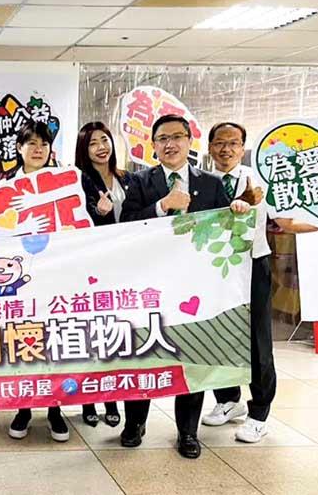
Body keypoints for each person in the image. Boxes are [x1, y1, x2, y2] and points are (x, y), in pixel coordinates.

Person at [200, 121, 318, 443]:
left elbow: (286, 221)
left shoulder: (260, 181)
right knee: (217, 335)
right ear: (210, 147)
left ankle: (259, 413)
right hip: (213, 271)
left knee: (258, 341)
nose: (226, 149)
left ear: (242, 147)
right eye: (219, 143)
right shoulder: (201, 182)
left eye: (233, 142)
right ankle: (227, 399)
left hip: (252, 265)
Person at [119, 114, 251, 459]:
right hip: (149, 288)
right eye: (162, 138)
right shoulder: (139, 181)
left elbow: (227, 230)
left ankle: (188, 432)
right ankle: (134, 424)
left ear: (189, 142)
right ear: (153, 145)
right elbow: (124, 226)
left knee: (194, 357)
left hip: (196, 289)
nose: (170, 144)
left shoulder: (212, 184)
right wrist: (162, 206)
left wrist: (238, 209)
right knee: (143, 357)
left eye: (177, 137)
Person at [5, 121, 71, 443]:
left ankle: (55, 410)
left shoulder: (64, 184)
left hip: (57, 277)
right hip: (20, 280)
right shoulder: (3, 190)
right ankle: (24, 408)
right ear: (19, 148)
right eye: (31, 143)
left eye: (43, 143)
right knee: (24, 343)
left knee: (56, 344)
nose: (38, 149)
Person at [75, 121, 129, 428]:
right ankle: (88, 400)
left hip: (123, 267)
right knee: (90, 335)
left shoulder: (127, 178)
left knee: (115, 335)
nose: (101, 147)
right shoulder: (78, 180)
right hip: (92, 269)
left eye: (104, 140)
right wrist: (99, 213)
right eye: (93, 142)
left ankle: (112, 397)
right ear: (84, 149)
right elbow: (77, 222)